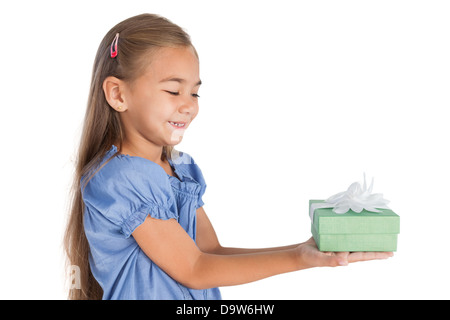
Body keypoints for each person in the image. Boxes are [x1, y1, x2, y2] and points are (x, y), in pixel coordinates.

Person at [64, 13, 393, 300]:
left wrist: (303, 248)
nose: (189, 104)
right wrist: (301, 260)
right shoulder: (120, 179)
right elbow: (194, 269)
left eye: (194, 91)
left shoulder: (178, 169)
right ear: (118, 94)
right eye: (173, 90)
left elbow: (210, 253)